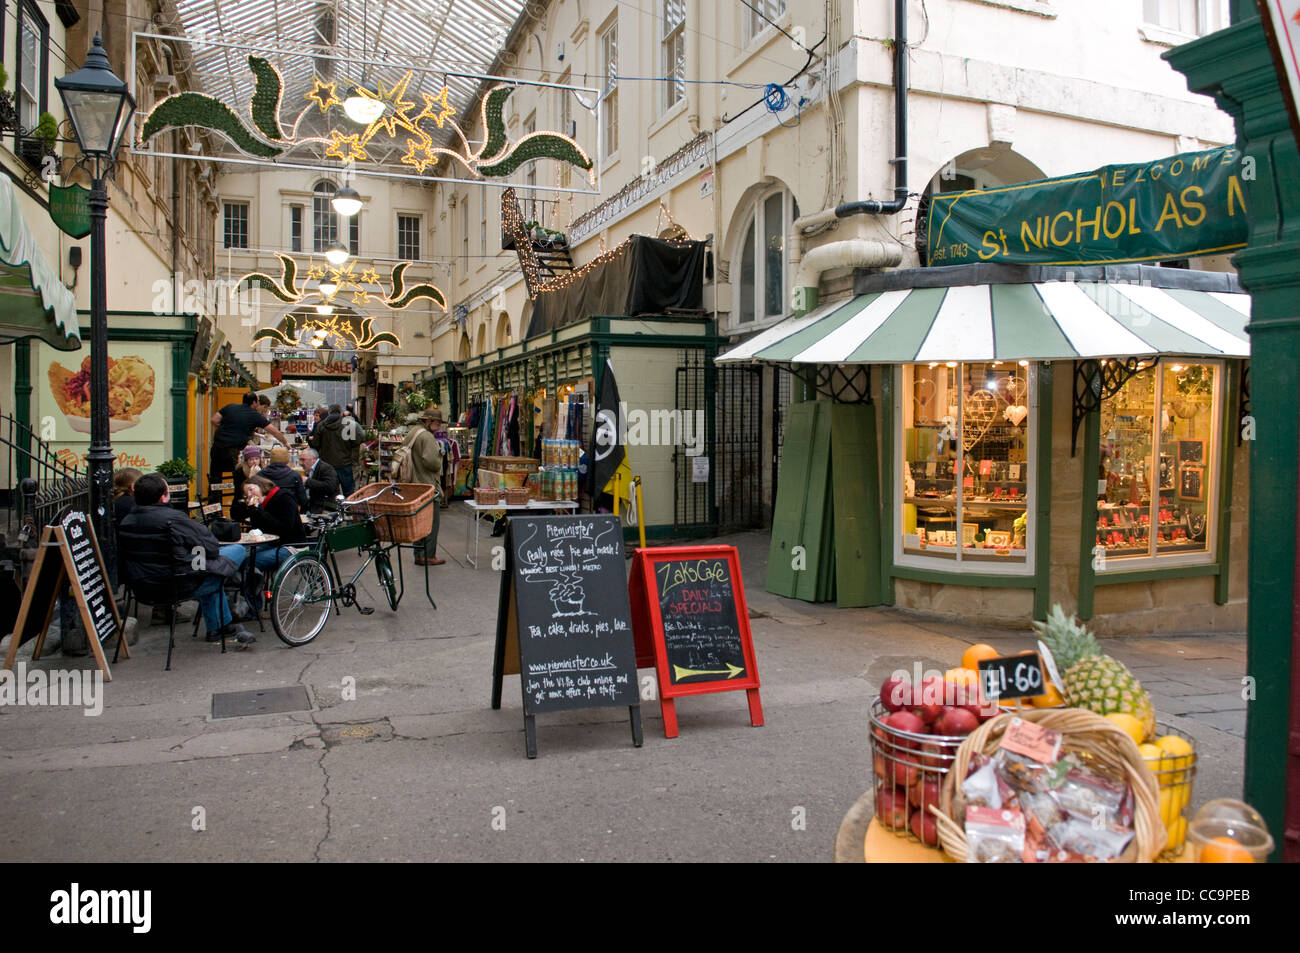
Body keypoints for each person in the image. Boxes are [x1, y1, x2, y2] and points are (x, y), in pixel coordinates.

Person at [119, 473, 254, 644]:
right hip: (180, 584)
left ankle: (220, 627)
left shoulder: (127, 522)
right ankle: (224, 616)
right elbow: (210, 547)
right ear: (163, 497)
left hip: (142, 587)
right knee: (236, 551)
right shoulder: (173, 519)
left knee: (208, 568)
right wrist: (196, 553)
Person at [242, 475, 306, 608]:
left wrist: (260, 511)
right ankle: (244, 600)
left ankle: (253, 607)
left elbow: (284, 528)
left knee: (252, 561)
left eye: (251, 490)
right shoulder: (261, 504)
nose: (249, 494)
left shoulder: (283, 497)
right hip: (272, 543)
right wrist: (253, 511)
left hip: (292, 546)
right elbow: (258, 528)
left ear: (260, 486)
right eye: (246, 493)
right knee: (241, 556)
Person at [211, 392, 287, 501]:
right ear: (254, 402)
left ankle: (213, 509)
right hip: (233, 451)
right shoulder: (254, 415)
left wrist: (227, 428)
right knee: (238, 478)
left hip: (217, 448)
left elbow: (214, 420)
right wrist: (286, 444)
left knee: (215, 479)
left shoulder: (230, 407)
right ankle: (239, 504)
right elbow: (274, 431)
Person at [403, 407, 445, 566]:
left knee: (419, 521)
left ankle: (419, 553)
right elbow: (431, 462)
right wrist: (439, 456)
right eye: (437, 422)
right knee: (431, 522)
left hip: (413, 484)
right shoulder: (427, 437)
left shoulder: (413, 432)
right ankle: (428, 555)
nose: (439, 425)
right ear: (428, 421)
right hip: (426, 485)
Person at [309, 403, 361, 496]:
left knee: (329, 492)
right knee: (348, 492)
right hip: (345, 463)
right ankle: (348, 509)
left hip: (327, 464)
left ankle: (331, 509)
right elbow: (356, 442)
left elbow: (315, 443)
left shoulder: (321, 425)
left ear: (329, 412)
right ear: (340, 412)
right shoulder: (348, 424)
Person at [261, 445, 308, 510]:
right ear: (287, 459)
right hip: (289, 513)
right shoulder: (295, 476)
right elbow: (303, 500)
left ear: (271, 458)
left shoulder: (260, 475)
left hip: (266, 512)